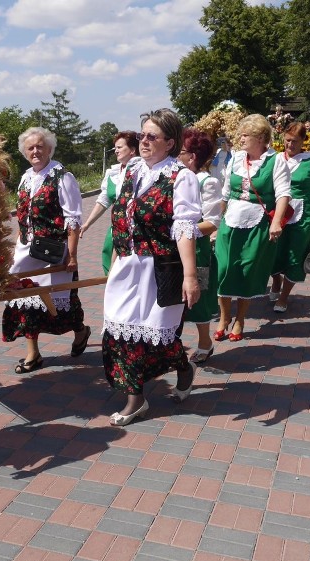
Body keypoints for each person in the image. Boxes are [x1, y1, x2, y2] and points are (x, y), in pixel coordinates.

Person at [103, 108, 202, 425]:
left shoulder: (181, 177)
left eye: (151, 136)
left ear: (170, 143)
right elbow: (123, 220)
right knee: (120, 331)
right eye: (141, 135)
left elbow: (184, 229)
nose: (143, 141)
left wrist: (190, 277)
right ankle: (137, 398)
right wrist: (117, 258)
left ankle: (182, 370)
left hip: (160, 270)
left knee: (157, 335)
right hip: (128, 266)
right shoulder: (131, 170)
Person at [3, 126, 89, 373]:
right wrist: (21, 235)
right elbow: (23, 212)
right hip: (27, 249)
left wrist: (72, 255)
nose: (35, 151)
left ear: (50, 148)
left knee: (61, 303)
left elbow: (73, 219)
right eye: (30, 148)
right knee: (24, 298)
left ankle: (81, 331)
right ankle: (33, 354)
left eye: (40, 146)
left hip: (53, 250)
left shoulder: (62, 176)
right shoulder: (26, 176)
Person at [214, 114, 291, 341]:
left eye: (246, 135)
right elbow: (225, 193)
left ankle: (240, 319)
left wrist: (276, 221)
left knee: (246, 271)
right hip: (231, 221)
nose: (241, 138)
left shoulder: (276, 161)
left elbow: (283, 193)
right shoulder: (236, 158)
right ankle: (223, 317)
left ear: (260, 138)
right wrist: (217, 223)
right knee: (223, 269)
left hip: (257, 222)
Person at [269, 122, 310, 312]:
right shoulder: (276, 159)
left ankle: (284, 297)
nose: (290, 145)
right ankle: (276, 281)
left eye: (294, 141)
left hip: (303, 216)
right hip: (277, 213)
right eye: (287, 141)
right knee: (273, 252)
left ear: (303, 141)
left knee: (295, 256)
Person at [178, 128, 221, 364]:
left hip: (197, 248)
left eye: (181, 152)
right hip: (175, 247)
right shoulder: (174, 178)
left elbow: (212, 222)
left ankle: (205, 341)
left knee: (199, 298)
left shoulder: (207, 181)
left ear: (192, 156)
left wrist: (181, 231)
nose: (176, 156)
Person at [80, 131, 139, 275]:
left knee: (123, 270)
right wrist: (87, 224)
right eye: (115, 148)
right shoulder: (113, 172)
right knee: (109, 265)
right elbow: (104, 200)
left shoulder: (141, 170)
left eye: (120, 147)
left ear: (132, 150)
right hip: (116, 228)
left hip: (135, 231)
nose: (116, 151)